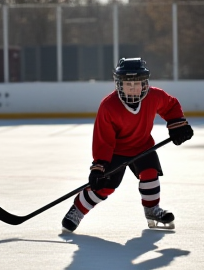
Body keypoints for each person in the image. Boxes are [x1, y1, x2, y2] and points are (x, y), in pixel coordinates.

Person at [62, 57, 193, 232]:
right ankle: (78, 209)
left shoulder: (155, 96)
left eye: (137, 84)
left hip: (143, 145)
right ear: (119, 85)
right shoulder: (108, 106)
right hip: (116, 151)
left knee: (150, 173)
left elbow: (170, 106)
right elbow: (104, 140)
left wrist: (178, 125)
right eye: (128, 85)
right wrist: (99, 166)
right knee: (105, 186)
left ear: (144, 83)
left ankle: (152, 210)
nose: (133, 88)